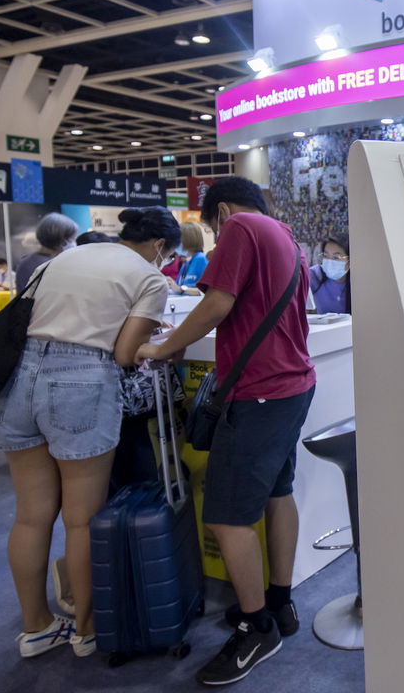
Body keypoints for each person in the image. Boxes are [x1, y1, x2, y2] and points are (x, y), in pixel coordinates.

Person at [135, 177, 314, 686]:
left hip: (257, 391)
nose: (216, 236)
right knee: (278, 494)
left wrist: (161, 347)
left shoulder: (240, 226)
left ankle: (257, 630)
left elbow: (217, 304)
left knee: (228, 517)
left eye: (212, 225)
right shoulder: (286, 236)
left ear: (223, 210)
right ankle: (279, 605)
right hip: (292, 385)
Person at [0, 206, 179, 659]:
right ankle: (86, 630)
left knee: (31, 516)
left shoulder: (64, 258)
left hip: (18, 378)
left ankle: (36, 627)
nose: (166, 263)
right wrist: (166, 343)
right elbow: (127, 353)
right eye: (167, 256)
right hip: (81, 381)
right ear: (158, 247)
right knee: (81, 518)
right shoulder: (149, 278)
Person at [15, 213, 78, 292]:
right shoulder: (54, 265)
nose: (74, 242)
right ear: (62, 240)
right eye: (72, 238)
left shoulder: (25, 262)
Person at [308, 233, 351, 314]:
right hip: (323, 326)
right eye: (326, 256)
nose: (329, 262)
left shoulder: (358, 282)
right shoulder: (315, 275)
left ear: (349, 261)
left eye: (336, 257)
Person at [169, 222, 209, 292]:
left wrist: (181, 289)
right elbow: (179, 287)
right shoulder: (187, 263)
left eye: (178, 240)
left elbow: (206, 291)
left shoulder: (201, 259)